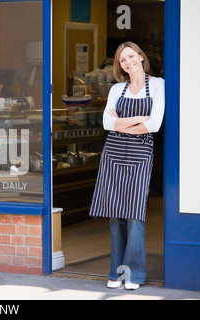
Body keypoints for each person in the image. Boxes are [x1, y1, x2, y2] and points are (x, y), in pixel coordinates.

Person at [89, 42, 165, 290]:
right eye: (123, 60)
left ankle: (133, 274)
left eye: (131, 56)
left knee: (134, 216)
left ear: (141, 57)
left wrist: (121, 122)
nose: (128, 62)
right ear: (119, 65)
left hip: (141, 154)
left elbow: (153, 125)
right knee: (115, 216)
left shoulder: (157, 85)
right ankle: (115, 272)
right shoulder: (116, 89)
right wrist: (136, 119)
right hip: (113, 153)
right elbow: (106, 124)